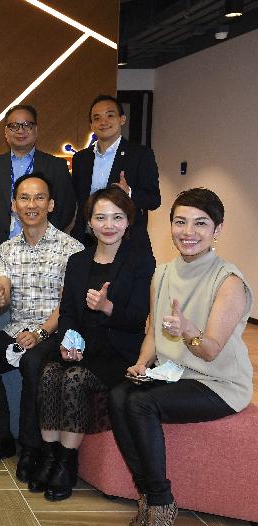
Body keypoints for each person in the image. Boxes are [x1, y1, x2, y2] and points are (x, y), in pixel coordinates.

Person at [109, 188, 253, 526]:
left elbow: (211, 349)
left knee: (141, 404)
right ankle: (147, 493)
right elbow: (152, 332)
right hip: (173, 373)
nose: (188, 232)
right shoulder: (162, 274)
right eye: (180, 222)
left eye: (201, 224)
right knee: (118, 396)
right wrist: (143, 362)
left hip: (217, 382)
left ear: (217, 230)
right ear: (170, 226)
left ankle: (160, 503)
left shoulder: (228, 281)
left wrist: (188, 330)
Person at [29, 186, 155, 502]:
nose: (108, 224)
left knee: (73, 379)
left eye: (117, 217)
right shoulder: (78, 261)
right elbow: (69, 311)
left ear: (128, 222)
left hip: (118, 352)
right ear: (90, 221)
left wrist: (107, 308)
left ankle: (67, 464)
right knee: (49, 373)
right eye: (101, 217)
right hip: (82, 344)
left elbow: (139, 317)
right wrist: (68, 342)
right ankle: (50, 455)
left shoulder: (140, 262)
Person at [0, 173, 83, 482]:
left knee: (35, 362)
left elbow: (67, 305)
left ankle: (32, 447)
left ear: (51, 204)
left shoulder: (71, 249)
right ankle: (0, 439)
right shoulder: (5, 250)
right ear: (14, 206)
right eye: (24, 198)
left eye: (38, 198)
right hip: (18, 327)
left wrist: (41, 333)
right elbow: (3, 292)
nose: (31, 205)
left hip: (54, 330)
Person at [0, 104, 76, 253]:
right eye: (14, 126)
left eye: (27, 125)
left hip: (44, 248)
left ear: (36, 130)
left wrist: (46, 236)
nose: (20, 130)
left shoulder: (56, 166)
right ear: (6, 132)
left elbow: (67, 207)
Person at [70, 95, 160, 249]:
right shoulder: (81, 159)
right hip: (86, 241)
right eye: (97, 118)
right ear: (91, 125)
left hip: (126, 242)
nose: (103, 122)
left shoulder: (140, 154)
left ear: (122, 119)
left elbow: (153, 200)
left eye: (110, 115)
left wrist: (129, 192)